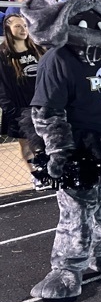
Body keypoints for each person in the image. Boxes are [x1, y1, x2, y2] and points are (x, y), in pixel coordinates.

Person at [0, 14, 47, 189]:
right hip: (19, 108)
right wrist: (10, 109)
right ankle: (37, 175)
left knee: (47, 141)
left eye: (25, 25)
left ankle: (49, 170)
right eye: (18, 26)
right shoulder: (3, 54)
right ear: (8, 29)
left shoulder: (38, 49)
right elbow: (2, 86)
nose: (23, 29)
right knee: (27, 143)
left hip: (42, 104)